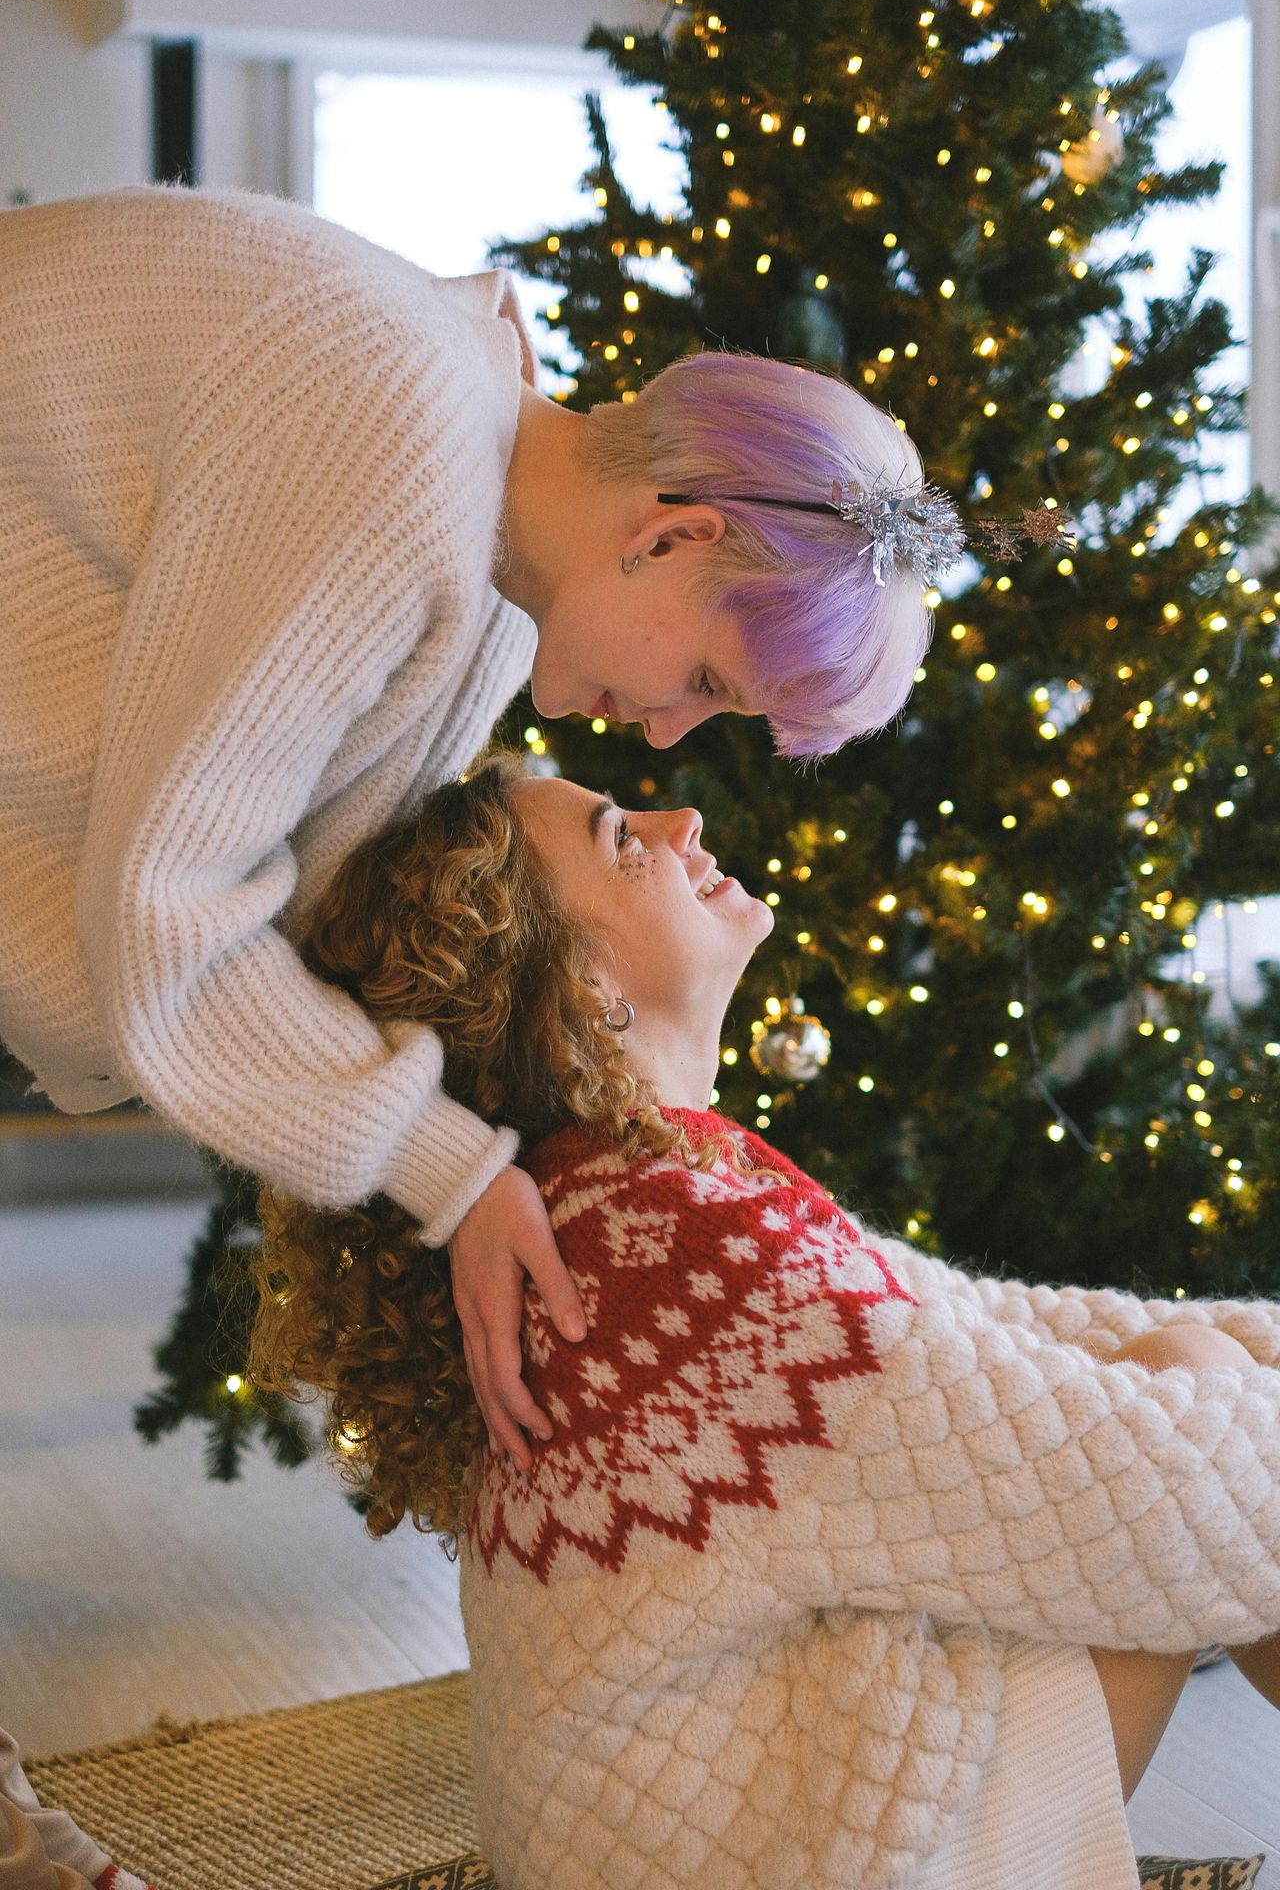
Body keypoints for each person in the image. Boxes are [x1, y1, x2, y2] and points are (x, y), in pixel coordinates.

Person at [0, 183, 940, 1466]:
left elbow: (312, 896)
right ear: (673, 535)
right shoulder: (391, 440)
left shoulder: (485, 554)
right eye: (710, 685)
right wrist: (453, 1173)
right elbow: (170, 912)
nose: (667, 736)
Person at [250, 753, 1280, 1890]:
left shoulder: (624, 1190)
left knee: (1197, 1388)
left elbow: (985, 1326)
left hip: (712, 1828)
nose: (681, 816)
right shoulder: (667, 1253)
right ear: (586, 989)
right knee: (1196, 1459)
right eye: (620, 841)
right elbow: (1173, 1496)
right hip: (784, 1859)